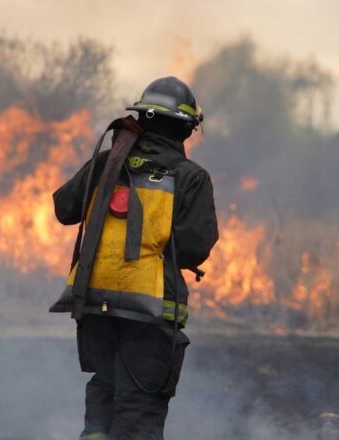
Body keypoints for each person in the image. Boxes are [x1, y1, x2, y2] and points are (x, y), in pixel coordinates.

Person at [49, 76, 219, 439]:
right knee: (138, 411)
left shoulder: (108, 162)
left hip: (96, 304)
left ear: (141, 117)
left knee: (103, 396)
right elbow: (194, 247)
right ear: (187, 128)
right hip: (151, 309)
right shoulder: (190, 176)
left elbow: (64, 208)